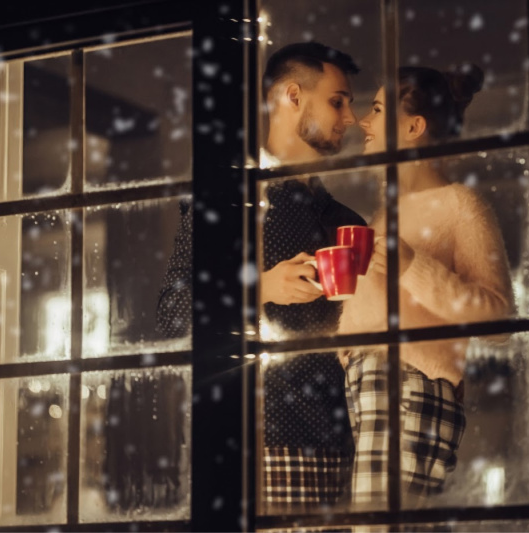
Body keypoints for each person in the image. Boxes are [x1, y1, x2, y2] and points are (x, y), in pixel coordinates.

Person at [156, 41, 365, 510]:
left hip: (349, 445)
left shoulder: (347, 221)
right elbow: (171, 315)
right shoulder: (229, 203)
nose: (349, 117)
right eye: (338, 101)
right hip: (260, 445)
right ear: (293, 97)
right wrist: (261, 286)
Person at [337, 65, 515, 508]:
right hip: (371, 388)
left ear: (414, 126)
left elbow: (498, 318)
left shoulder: (460, 205)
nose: (364, 120)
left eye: (377, 109)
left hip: (411, 387)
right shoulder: (385, 215)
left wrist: (412, 265)